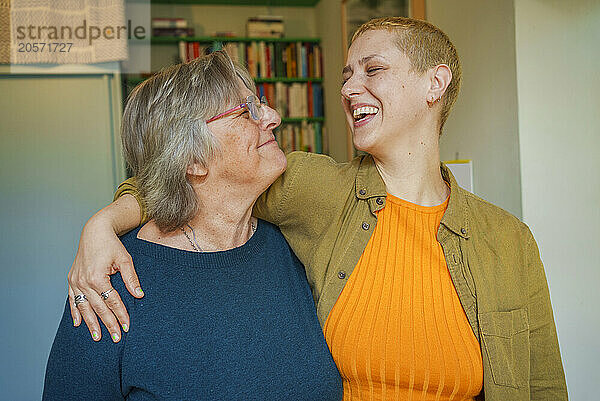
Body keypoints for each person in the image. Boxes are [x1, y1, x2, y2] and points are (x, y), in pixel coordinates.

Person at [65, 17, 567, 401]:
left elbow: (544, 385)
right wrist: (103, 224)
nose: (349, 89)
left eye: (374, 70)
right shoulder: (319, 190)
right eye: (347, 74)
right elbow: (188, 175)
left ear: (434, 84)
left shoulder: (508, 240)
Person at [43, 51, 342, 400]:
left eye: (260, 103)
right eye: (247, 111)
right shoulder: (110, 282)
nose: (273, 117)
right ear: (192, 159)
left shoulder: (294, 245)